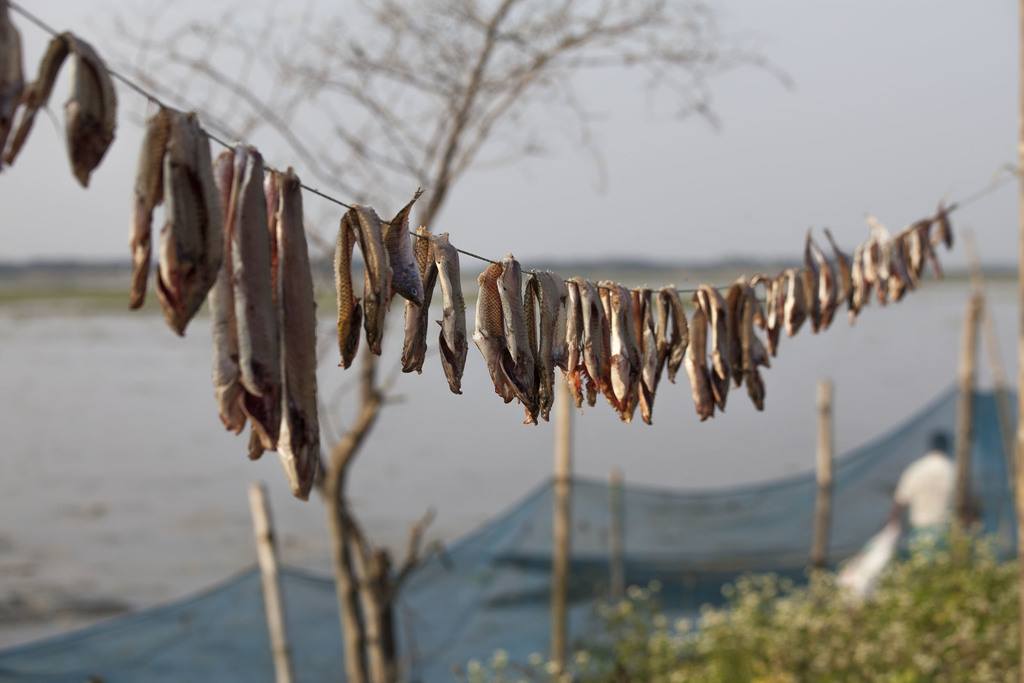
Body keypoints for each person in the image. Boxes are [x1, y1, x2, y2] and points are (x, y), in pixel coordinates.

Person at [838, 431, 955, 598]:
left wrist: (892, 525)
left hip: (921, 530)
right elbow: (965, 500)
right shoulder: (952, 470)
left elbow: (900, 501)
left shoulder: (917, 469)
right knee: (944, 574)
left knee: (924, 574)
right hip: (946, 530)